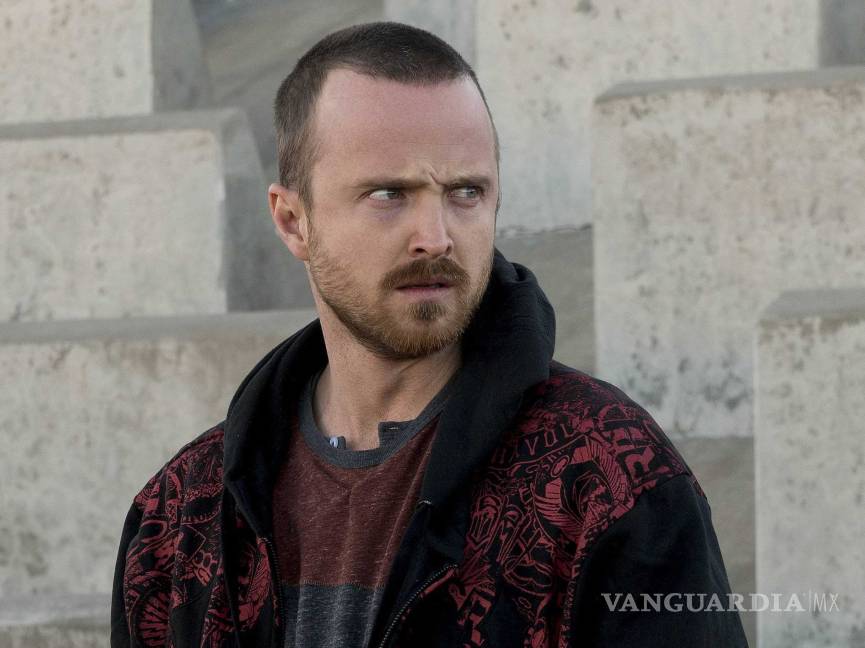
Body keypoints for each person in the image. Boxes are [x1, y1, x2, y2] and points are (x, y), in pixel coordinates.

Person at [111, 21, 748, 648]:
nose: (436, 237)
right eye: (389, 194)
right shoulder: (180, 519)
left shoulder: (609, 479)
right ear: (292, 220)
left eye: (466, 191)